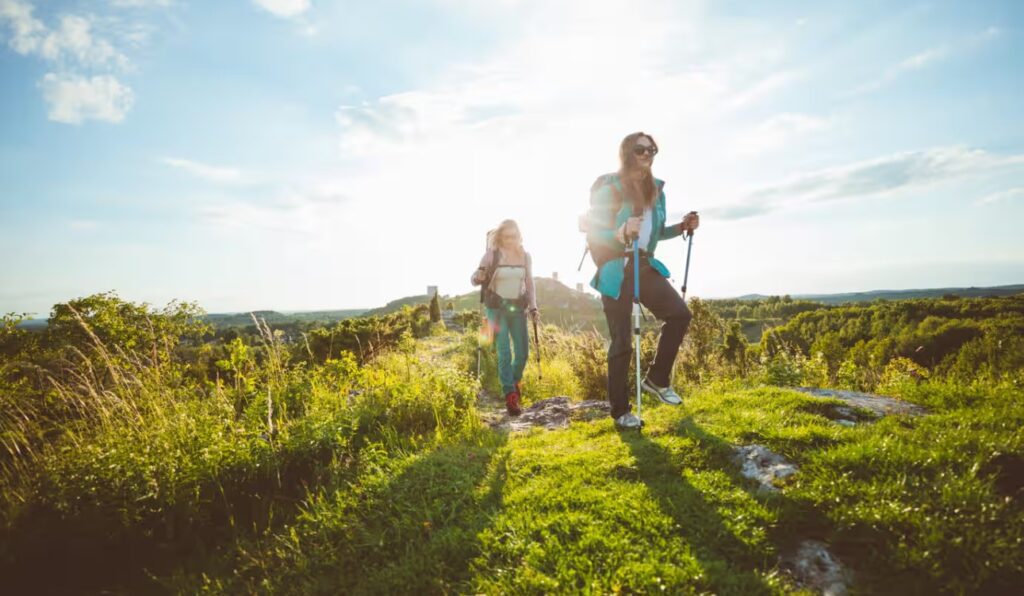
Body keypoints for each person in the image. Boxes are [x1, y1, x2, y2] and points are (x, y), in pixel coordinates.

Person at [584, 132, 700, 430]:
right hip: (615, 267)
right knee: (622, 340)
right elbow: (593, 230)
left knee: (679, 315)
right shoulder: (608, 186)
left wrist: (681, 227)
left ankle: (656, 379)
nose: (648, 154)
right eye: (641, 149)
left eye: (652, 150)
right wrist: (621, 232)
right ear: (627, 152)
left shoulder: (657, 191)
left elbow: (655, 232)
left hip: (644, 264)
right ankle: (621, 411)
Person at [471, 219, 540, 416]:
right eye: (507, 236)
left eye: (514, 236)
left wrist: (534, 307)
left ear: (520, 236)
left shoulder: (525, 256)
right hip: (496, 308)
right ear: (501, 237)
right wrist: (478, 277)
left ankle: (514, 382)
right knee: (504, 352)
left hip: (517, 308)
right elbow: (475, 278)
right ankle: (510, 395)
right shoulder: (492, 255)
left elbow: (530, 283)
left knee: (523, 353)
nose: (511, 240)